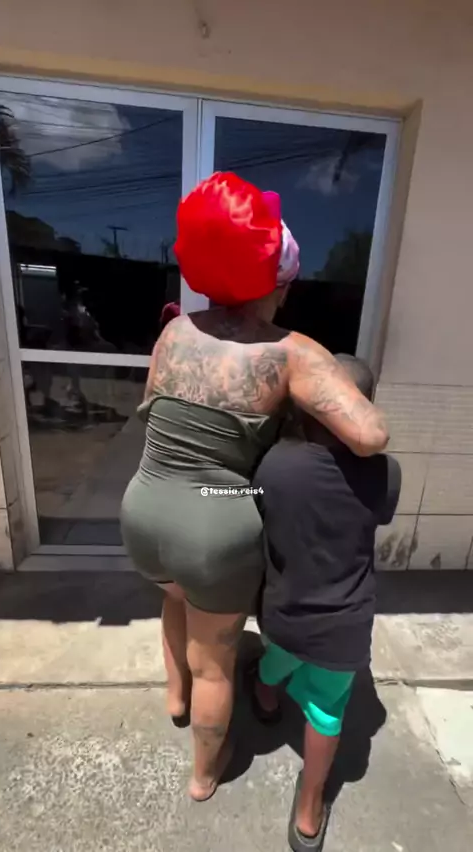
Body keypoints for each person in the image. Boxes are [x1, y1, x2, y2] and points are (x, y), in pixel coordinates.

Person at [120, 172, 390, 804]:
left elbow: (151, 411)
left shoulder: (173, 332)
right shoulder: (292, 352)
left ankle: (176, 698)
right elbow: (370, 435)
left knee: (174, 599)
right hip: (214, 527)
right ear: (281, 283)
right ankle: (205, 773)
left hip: (143, 509)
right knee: (215, 657)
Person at [250, 353, 401, 852]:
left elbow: (253, 509)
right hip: (345, 628)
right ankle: (310, 811)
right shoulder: (386, 474)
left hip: (285, 611)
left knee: (275, 662)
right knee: (327, 712)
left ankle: (265, 698)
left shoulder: (275, 464)